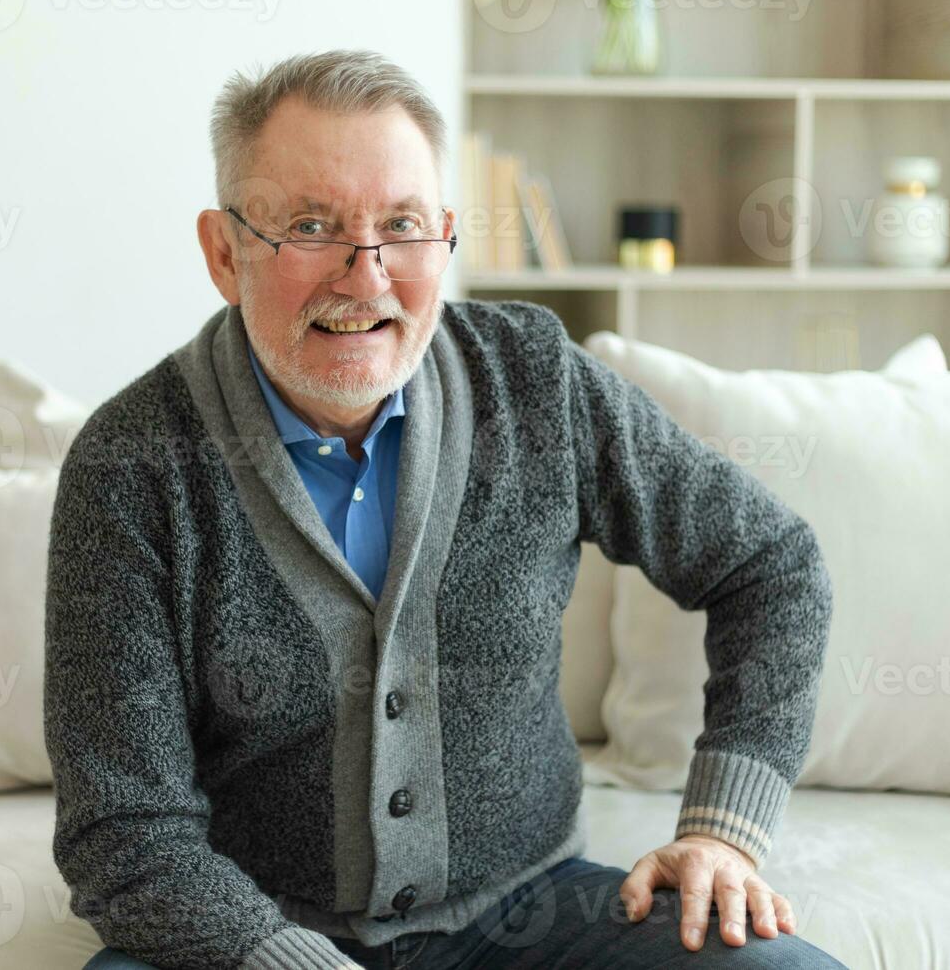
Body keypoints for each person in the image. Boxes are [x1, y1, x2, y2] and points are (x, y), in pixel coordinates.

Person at [47, 49, 847, 970]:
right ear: (225, 252)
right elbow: (124, 831)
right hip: (248, 931)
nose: (367, 275)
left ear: (448, 237)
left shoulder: (536, 381)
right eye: (312, 226)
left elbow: (768, 563)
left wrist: (723, 832)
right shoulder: (130, 465)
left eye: (403, 226)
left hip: (534, 913)